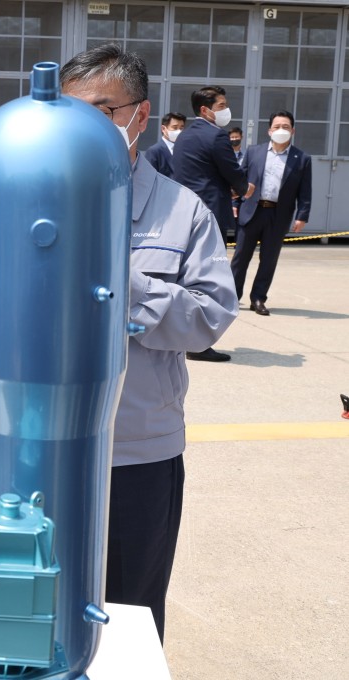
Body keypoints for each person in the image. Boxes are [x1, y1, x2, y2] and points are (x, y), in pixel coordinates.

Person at [60, 44, 238, 643]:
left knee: (129, 616)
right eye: (69, 113)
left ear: (140, 114)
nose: (83, 128)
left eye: (100, 111)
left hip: (137, 452)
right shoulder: (33, 198)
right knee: (36, 608)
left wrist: (125, 286)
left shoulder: (183, 212)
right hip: (44, 444)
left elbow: (211, 317)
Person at [171, 85, 252, 363]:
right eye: (221, 106)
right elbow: (233, 171)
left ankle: (182, 337)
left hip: (184, 212)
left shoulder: (184, 136)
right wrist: (244, 188)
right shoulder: (216, 136)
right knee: (207, 280)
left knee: (185, 277)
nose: (226, 110)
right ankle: (198, 343)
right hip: (211, 214)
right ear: (205, 110)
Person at [230, 111, 311, 316]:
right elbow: (241, 180)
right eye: (277, 126)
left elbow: (305, 190)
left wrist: (302, 215)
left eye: (285, 127)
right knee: (240, 257)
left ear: (293, 131)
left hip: (278, 215)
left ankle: (258, 298)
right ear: (269, 130)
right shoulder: (254, 152)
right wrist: (235, 202)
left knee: (268, 260)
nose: (281, 130)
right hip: (252, 211)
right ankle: (231, 297)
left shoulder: (302, 159)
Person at [143, 112, 185, 178]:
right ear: (163, 129)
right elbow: (148, 177)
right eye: (175, 127)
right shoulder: (154, 151)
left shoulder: (185, 150)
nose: (179, 131)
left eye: (181, 128)